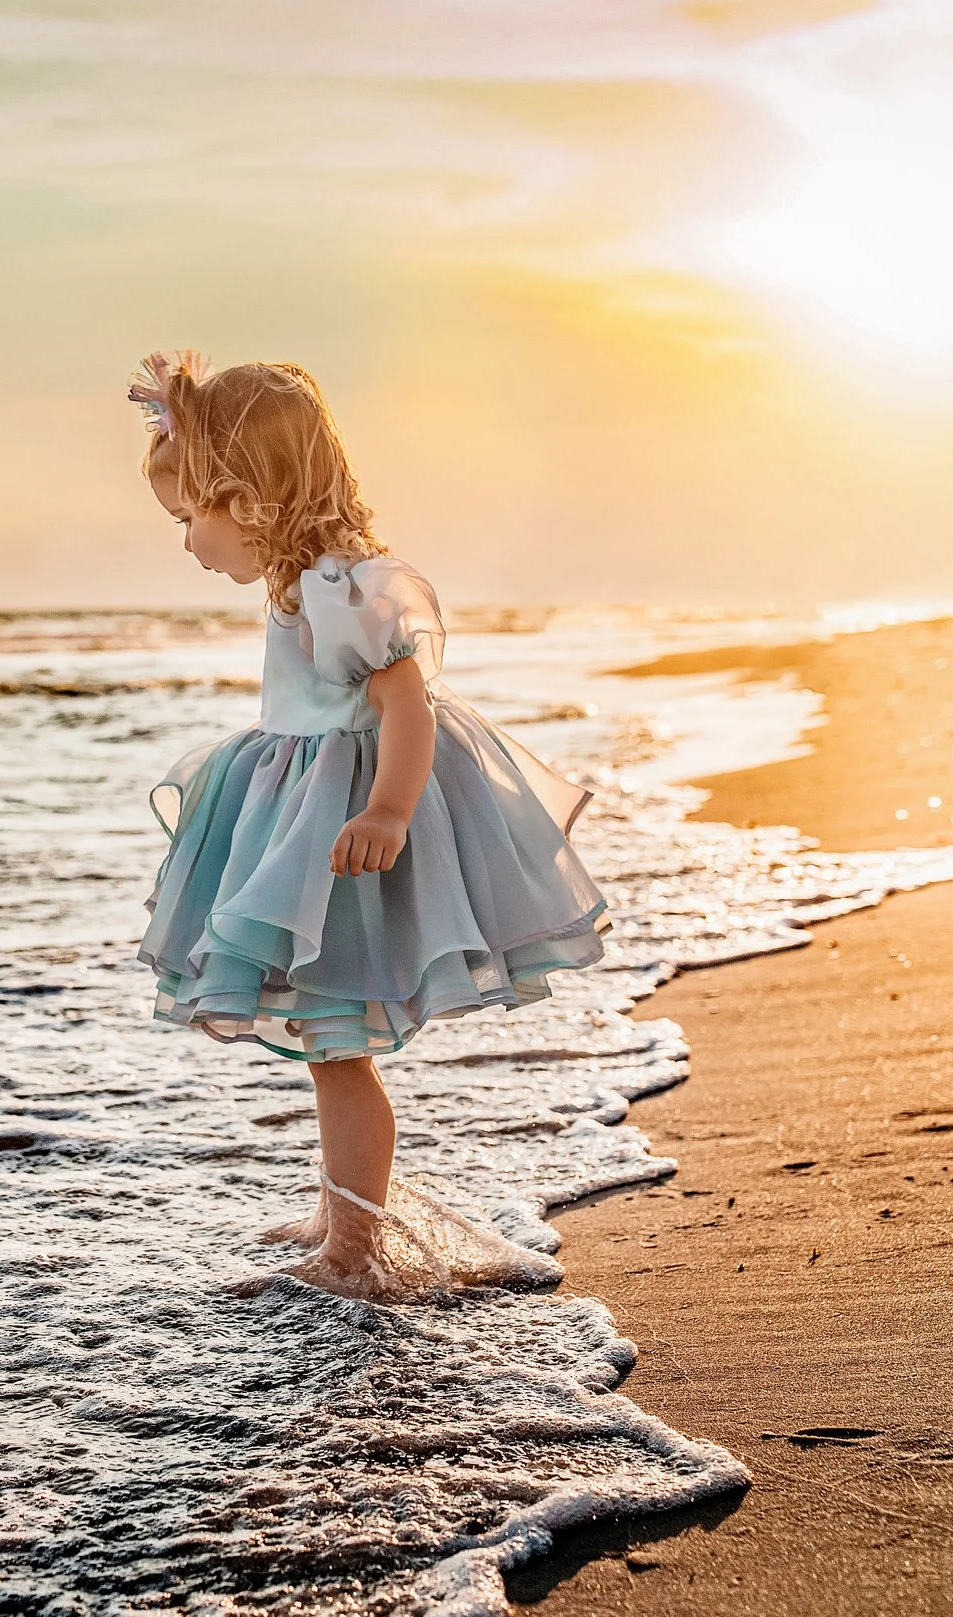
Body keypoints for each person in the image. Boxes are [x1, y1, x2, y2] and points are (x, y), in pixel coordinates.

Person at [130, 352, 608, 1299]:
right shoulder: (304, 583)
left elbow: (408, 707)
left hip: (344, 833)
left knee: (336, 1042)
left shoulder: (343, 589)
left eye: (192, 518)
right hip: (307, 816)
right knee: (326, 1041)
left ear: (251, 496)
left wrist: (386, 810)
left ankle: (354, 1249)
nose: (188, 544)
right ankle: (341, 1210)